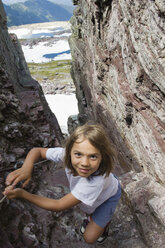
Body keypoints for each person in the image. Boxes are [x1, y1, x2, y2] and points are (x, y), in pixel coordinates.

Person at [3, 123, 121, 244]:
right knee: (88, 208)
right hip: (98, 191)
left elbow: (58, 205)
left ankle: (104, 223)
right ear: (69, 151)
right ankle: (92, 216)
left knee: (89, 238)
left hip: (108, 197)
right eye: (78, 154)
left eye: (93, 157)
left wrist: (23, 195)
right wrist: (26, 168)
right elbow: (37, 151)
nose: (84, 163)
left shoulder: (95, 182)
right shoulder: (65, 154)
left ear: (102, 158)